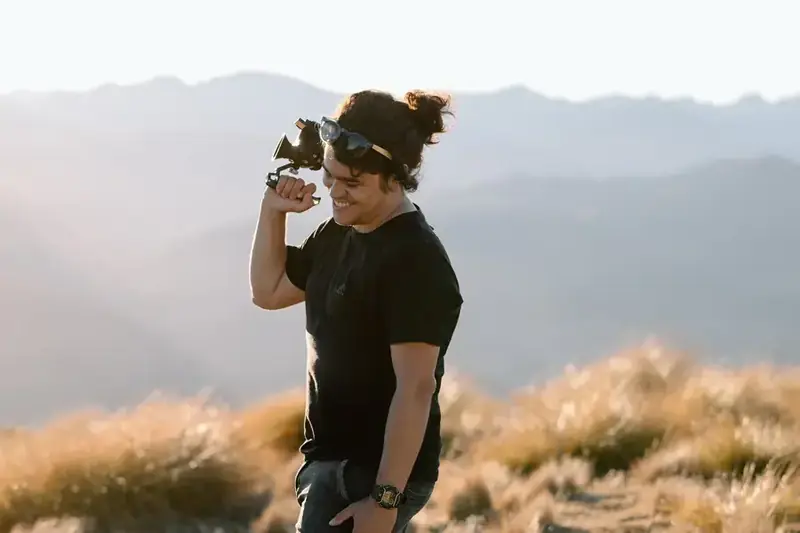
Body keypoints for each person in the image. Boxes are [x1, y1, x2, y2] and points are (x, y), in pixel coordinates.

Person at [249, 89, 464, 533]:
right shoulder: (337, 233)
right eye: (330, 177)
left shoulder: (415, 260)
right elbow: (268, 291)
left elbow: (416, 387)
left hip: (373, 474)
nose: (335, 193)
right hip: (329, 463)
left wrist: (385, 500)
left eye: (352, 183)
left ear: (394, 177)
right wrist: (273, 212)